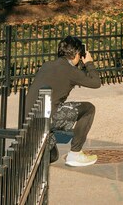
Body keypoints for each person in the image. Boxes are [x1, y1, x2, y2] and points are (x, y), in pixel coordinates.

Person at [26, 35, 102, 166]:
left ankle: (36, 148)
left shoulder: (47, 65)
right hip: (48, 118)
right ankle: (75, 154)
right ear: (77, 53)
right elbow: (96, 83)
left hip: (30, 119)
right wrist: (89, 63)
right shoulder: (71, 70)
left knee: (52, 156)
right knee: (89, 108)